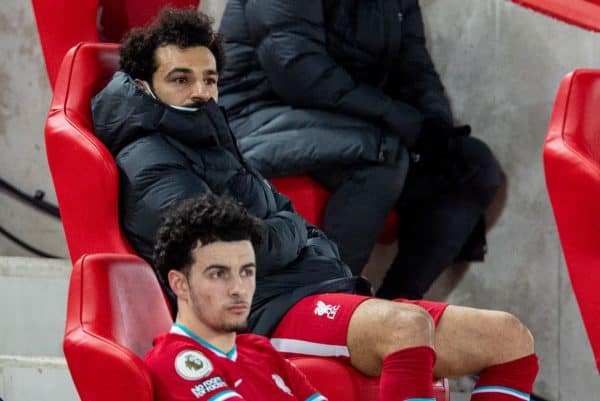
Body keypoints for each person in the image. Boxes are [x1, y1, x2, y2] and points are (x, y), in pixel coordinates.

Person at [92, 8, 538, 400]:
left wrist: (285, 231)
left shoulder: (213, 141)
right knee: (405, 327)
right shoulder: (148, 158)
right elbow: (221, 253)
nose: (200, 92)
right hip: (264, 311)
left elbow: (280, 221)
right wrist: (291, 233)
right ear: (143, 86)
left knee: (510, 337)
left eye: (209, 79)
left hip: (315, 289)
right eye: (180, 79)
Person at [217, 0, 502, 299]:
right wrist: (394, 116)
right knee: (381, 153)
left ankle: (394, 311)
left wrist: (436, 126)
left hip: (341, 119)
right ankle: (329, 304)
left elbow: (415, 67)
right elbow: (297, 70)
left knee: (471, 164)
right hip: (254, 116)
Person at [145, 193, 328, 401]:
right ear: (180, 284)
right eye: (218, 274)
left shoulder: (261, 350)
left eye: (246, 272)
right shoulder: (177, 362)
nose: (238, 288)